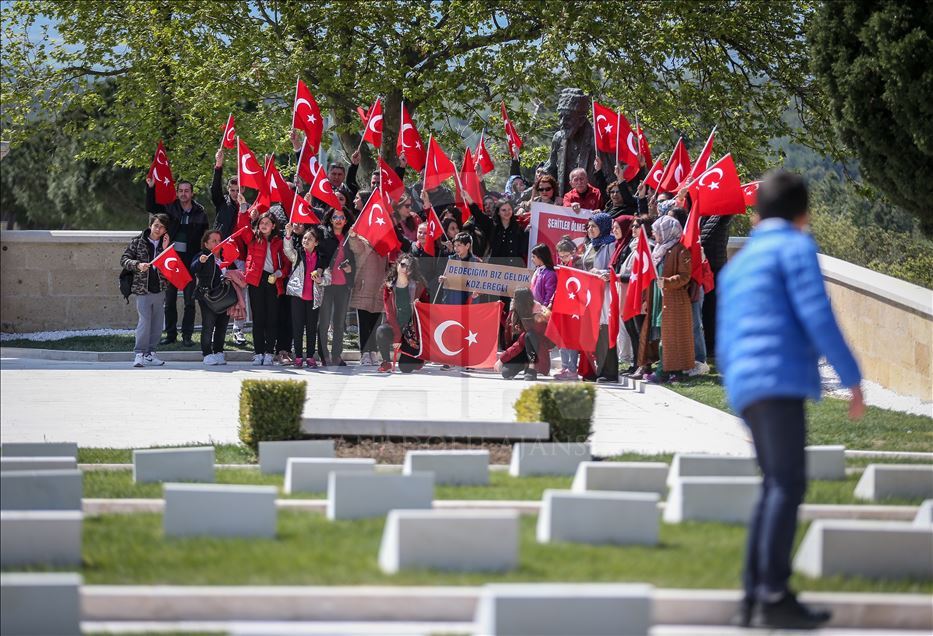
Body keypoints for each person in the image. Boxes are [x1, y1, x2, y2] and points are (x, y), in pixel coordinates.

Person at [719, 170, 863, 630]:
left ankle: (753, 597)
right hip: (778, 378)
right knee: (786, 483)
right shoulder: (796, 246)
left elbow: (724, 331)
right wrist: (852, 377)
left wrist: (736, 388)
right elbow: (816, 310)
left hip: (746, 382)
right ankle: (774, 596)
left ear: (757, 211)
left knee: (774, 483)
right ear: (803, 214)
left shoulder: (740, 262)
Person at [145, 177, 209, 347]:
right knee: (170, 300)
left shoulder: (200, 211)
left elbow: (205, 239)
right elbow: (151, 207)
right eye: (180, 191)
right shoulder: (169, 208)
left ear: (192, 193)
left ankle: (187, 336)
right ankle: (171, 334)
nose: (183, 194)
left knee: (189, 301)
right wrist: (151, 187)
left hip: (190, 261)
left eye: (186, 191)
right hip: (172, 260)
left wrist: (202, 259)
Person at [641, 215, 695, 382]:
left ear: (666, 231)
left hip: (674, 299)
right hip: (659, 299)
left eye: (657, 231)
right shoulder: (658, 250)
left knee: (671, 336)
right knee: (662, 335)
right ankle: (670, 370)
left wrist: (667, 282)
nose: (654, 234)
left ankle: (667, 371)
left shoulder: (680, 250)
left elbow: (685, 276)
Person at [236, 211, 289, 365]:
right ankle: (258, 352)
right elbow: (242, 226)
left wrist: (280, 273)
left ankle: (269, 352)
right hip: (256, 281)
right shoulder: (252, 238)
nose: (264, 225)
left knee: (272, 318)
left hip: (273, 280)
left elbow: (286, 264)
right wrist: (243, 209)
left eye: (267, 223)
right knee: (258, 318)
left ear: (273, 226)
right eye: (261, 223)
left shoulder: (279, 241)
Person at [121, 213, 170, 368]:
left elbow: (171, 264)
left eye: (162, 227)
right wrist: (138, 265)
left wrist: (165, 248)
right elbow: (124, 260)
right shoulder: (137, 242)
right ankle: (139, 353)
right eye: (156, 225)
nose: (158, 229)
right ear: (150, 225)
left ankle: (150, 353)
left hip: (160, 288)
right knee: (144, 321)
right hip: (143, 289)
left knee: (157, 323)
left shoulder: (166, 242)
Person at [210, 147, 248, 346]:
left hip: (240, 256)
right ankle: (218, 328)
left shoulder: (248, 208)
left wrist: (244, 207)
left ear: (243, 190)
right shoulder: (222, 204)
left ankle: (238, 330)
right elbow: (214, 190)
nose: (234, 193)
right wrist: (218, 165)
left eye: (238, 190)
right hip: (222, 255)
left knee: (241, 293)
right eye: (232, 190)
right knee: (221, 290)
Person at [348, 192, 389, 365]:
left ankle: (374, 351)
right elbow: (355, 247)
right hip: (363, 286)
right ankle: (364, 351)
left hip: (379, 288)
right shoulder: (362, 240)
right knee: (363, 322)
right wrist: (352, 236)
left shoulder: (385, 243)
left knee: (376, 322)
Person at [375, 254, 429, 374]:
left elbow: (427, 310)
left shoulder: (419, 286)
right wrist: (397, 337)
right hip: (395, 326)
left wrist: (419, 305)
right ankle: (386, 362)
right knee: (381, 331)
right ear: (398, 265)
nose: (405, 268)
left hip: (412, 331)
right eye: (403, 264)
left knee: (406, 368)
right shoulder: (389, 287)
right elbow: (389, 314)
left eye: (409, 267)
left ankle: (419, 359)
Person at [284, 224, 329, 368]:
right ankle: (298, 357)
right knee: (297, 328)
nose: (306, 240)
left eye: (309, 239)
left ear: (316, 242)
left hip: (313, 299)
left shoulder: (322, 258)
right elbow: (287, 250)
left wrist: (321, 280)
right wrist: (288, 235)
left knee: (311, 329)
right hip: (297, 297)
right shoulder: (297, 254)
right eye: (304, 238)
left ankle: (310, 357)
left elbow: (329, 277)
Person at [580, 212, 617, 382]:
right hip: (591, 294)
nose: (590, 229)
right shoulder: (590, 246)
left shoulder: (611, 245)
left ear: (603, 226)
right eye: (588, 227)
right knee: (595, 332)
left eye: (594, 226)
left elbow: (615, 269)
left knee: (605, 331)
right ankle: (596, 370)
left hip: (606, 293)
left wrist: (601, 273)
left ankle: (609, 372)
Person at [318, 207, 355, 366]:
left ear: (346, 220)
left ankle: (336, 355)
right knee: (324, 322)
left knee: (339, 323)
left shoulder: (350, 238)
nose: (338, 220)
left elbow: (355, 259)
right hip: (327, 284)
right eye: (335, 217)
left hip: (343, 285)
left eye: (341, 217)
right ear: (330, 219)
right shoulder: (324, 236)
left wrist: (350, 268)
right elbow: (320, 257)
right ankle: (323, 355)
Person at [189, 230, 230, 366]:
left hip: (224, 296)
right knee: (208, 325)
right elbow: (193, 268)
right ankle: (207, 353)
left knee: (222, 326)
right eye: (214, 241)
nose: (218, 243)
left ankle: (219, 352)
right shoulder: (203, 255)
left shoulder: (226, 257)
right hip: (207, 296)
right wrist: (200, 262)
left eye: (219, 240)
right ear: (206, 244)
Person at [619, 217, 654, 376]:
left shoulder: (649, 247)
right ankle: (635, 364)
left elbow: (639, 274)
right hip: (628, 293)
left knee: (640, 332)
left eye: (637, 226)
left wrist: (618, 277)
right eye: (632, 226)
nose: (633, 229)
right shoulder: (632, 246)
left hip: (640, 294)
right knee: (631, 331)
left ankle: (644, 365)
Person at [495, 288, 550, 380]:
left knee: (530, 336)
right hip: (520, 351)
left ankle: (531, 369)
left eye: (515, 298)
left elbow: (521, 341)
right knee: (506, 373)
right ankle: (524, 365)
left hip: (536, 352)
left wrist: (502, 358)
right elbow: (508, 326)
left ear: (522, 300)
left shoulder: (538, 315)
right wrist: (500, 311)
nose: (513, 300)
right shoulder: (516, 310)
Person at [554, 236, 581, 379]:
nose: (563, 258)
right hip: (562, 304)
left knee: (571, 339)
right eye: (561, 256)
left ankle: (572, 369)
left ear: (573, 252)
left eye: (566, 255)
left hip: (575, 307)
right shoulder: (561, 265)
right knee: (562, 337)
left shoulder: (578, 263)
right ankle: (564, 367)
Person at [439, 232, 481, 305]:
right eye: (454, 246)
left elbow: (480, 284)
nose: (456, 248)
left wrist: (478, 291)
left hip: (468, 300)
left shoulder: (476, 262)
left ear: (467, 246)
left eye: (459, 245)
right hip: (452, 299)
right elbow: (445, 277)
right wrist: (442, 279)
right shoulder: (451, 259)